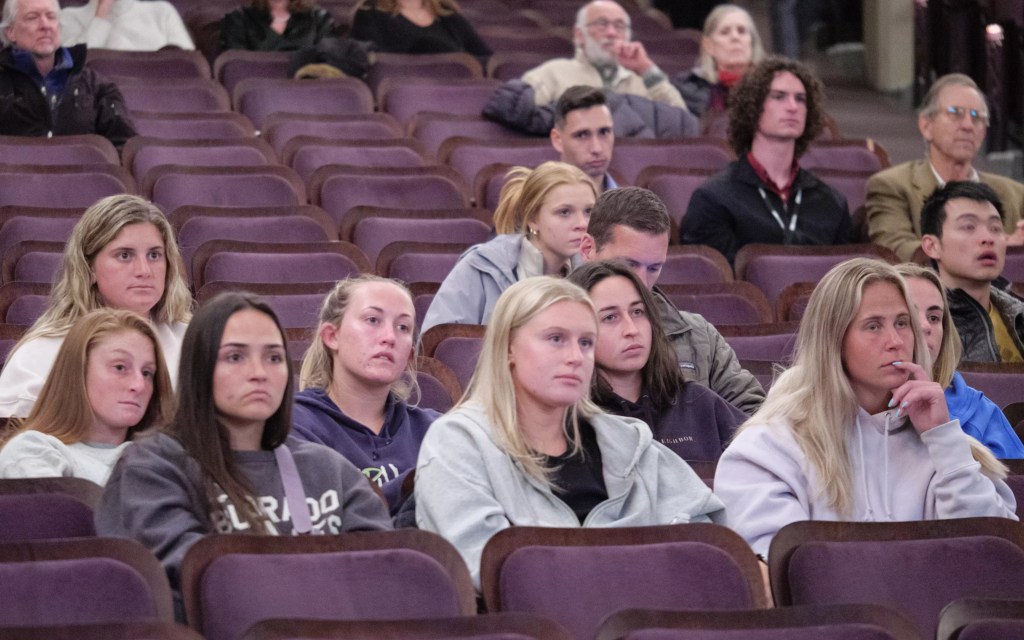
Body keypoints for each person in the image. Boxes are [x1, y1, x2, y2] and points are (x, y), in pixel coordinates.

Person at [416, 276, 725, 587]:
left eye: (586, 342)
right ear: (509, 347)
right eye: (556, 339)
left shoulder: (630, 441)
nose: (576, 357)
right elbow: (490, 570)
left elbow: (710, 543)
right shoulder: (458, 442)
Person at [96, 293, 393, 615]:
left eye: (274, 358)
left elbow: (383, 576)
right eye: (235, 357)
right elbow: (198, 579)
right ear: (199, 368)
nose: (259, 372)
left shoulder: (330, 470)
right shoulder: (152, 467)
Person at [715, 258, 1017, 558]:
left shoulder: (942, 444)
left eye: (902, 323)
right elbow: (791, 572)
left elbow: (995, 556)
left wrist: (944, 440)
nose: (895, 341)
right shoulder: (768, 449)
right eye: (873, 326)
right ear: (833, 339)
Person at [0, 194, 192, 418]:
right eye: (124, 255)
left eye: (154, 255)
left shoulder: (192, 341)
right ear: (89, 267)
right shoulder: (41, 353)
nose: (144, 270)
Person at [578, 186, 765, 414]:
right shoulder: (548, 330)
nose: (641, 281)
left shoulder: (697, 335)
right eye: (628, 265)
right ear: (587, 249)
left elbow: (755, 414)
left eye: (653, 268)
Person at [568, 260, 747, 461]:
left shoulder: (699, 402)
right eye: (610, 317)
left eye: (638, 312)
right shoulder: (569, 421)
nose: (631, 330)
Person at [681, 56, 851, 264]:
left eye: (800, 99)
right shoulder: (713, 199)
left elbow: (845, 279)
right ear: (752, 106)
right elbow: (717, 279)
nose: (793, 107)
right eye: (779, 97)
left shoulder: (831, 202)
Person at [293, 276, 439, 512]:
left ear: (410, 355)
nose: (389, 337)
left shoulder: (437, 431)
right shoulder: (294, 425)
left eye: (403, 327)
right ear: (332, 336)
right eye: (373, 320)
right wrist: (411, 482)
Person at [0, 309, 173, 486]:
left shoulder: (167, 458)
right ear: (78, 372)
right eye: (120, 367)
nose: (139, 385)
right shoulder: (32, 450)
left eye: (147, 373)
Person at [421, 161, 596, 334]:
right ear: (532, 219)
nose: (582, 224)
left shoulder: (598, 274)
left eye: (588, 211)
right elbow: (443, 343)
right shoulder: (481, 267)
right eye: (564, 212)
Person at [867, 73, 1024, 262]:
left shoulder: (1016, 194)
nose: (968, 125)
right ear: (926, 125)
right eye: (955, 113)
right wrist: (993, 247)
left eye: (977, 117)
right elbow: (896, 251)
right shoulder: (892, 186)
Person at [895, 263, 1024, 458]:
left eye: (934, 317)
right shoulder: (851, 410)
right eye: (908, 317)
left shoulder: (982, 415)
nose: (925, 326)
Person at [0, 0, 136, 146]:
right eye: (32, 17)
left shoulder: (96, 86)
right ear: (10, 32)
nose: (45, 25)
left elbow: (126, 148)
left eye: (51, 17)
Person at [920, 181, 1024, 363]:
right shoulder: (921, 323)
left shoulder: (1018, 313)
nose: (988, 238)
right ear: (932, 246)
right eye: (969, 227)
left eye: (995, 228)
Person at [521, 0, 686, 109]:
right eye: (602, 24)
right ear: (579, 35)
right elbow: (519, 112)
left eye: (619, 26)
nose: (611, 33)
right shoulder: (553, 73)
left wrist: (647, 69)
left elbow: (681, 123)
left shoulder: (643, 81)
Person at [674, 4, 765, 118]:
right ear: (708, 46)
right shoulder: (688, 90)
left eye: (741, 31)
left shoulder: (772, 87)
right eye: (725, 32)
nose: (735, 37)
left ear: (752, 42)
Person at [350, 0, 490, 59]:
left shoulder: (448, 14)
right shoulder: (369, 13)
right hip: (409, 95)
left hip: (455, 93)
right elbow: (376, 66)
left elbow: (484, 59)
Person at [550, 86, 617, 193]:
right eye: (582, 135)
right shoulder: (534, 201)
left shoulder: (631, 202)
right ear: (557, 140)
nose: (597, 148)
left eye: (604, 132)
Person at [61, 0, 194, 51]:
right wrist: (101, 14)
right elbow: (72, 70)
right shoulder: (68, 17)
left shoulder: (162, 11)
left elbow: (188, 67)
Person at [219, 0, 335, 53]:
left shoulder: (319, 19)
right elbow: (237, 67)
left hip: (306, 88)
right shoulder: (238, 19)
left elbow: (329, 65)